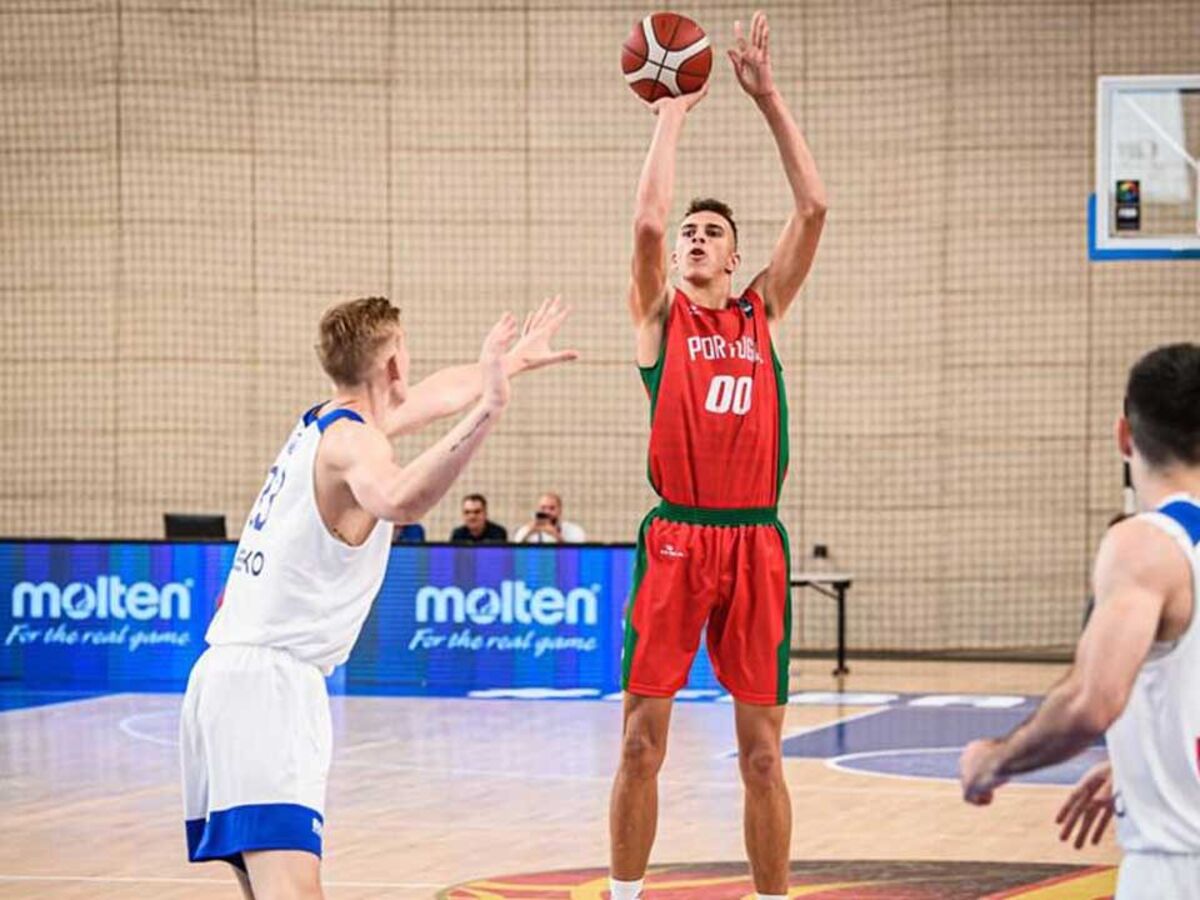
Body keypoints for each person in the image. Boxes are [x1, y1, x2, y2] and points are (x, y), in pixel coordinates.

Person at [180, 295, 575, 900]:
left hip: (229, 679)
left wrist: (509, 363)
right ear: (392, 364)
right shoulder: (355, 447)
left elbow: (441, 393)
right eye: (406, 353)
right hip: (267, 687)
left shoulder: (326, 422)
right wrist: (492, 408)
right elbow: (399, 500)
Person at [608, 12, 826, 900]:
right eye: (693, 232)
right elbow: (649, 222)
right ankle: (623, 896)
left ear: (737, 259)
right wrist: (674, 105)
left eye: (712, 233)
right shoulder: (662, 319)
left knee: (764, 760)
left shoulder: (759, 314)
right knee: (637, 743)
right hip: (676, 541)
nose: (695, 238)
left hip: (755, 544)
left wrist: (768, 99)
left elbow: (814, 207)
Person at [959, 343, 1200, 899]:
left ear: (1123, 436)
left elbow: (1092, 701)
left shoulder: (1146, 545)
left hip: (1176, 869)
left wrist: (992, 761)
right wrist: (1145, 766)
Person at [513, 492, 587, 543]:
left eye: (552, 508)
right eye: (543, 508)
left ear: (560, 510)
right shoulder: (527, 529)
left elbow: (575, 554)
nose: (547, 512)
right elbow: (513, 552)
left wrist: (555, 534)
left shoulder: (574, 530)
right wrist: (529, 532)